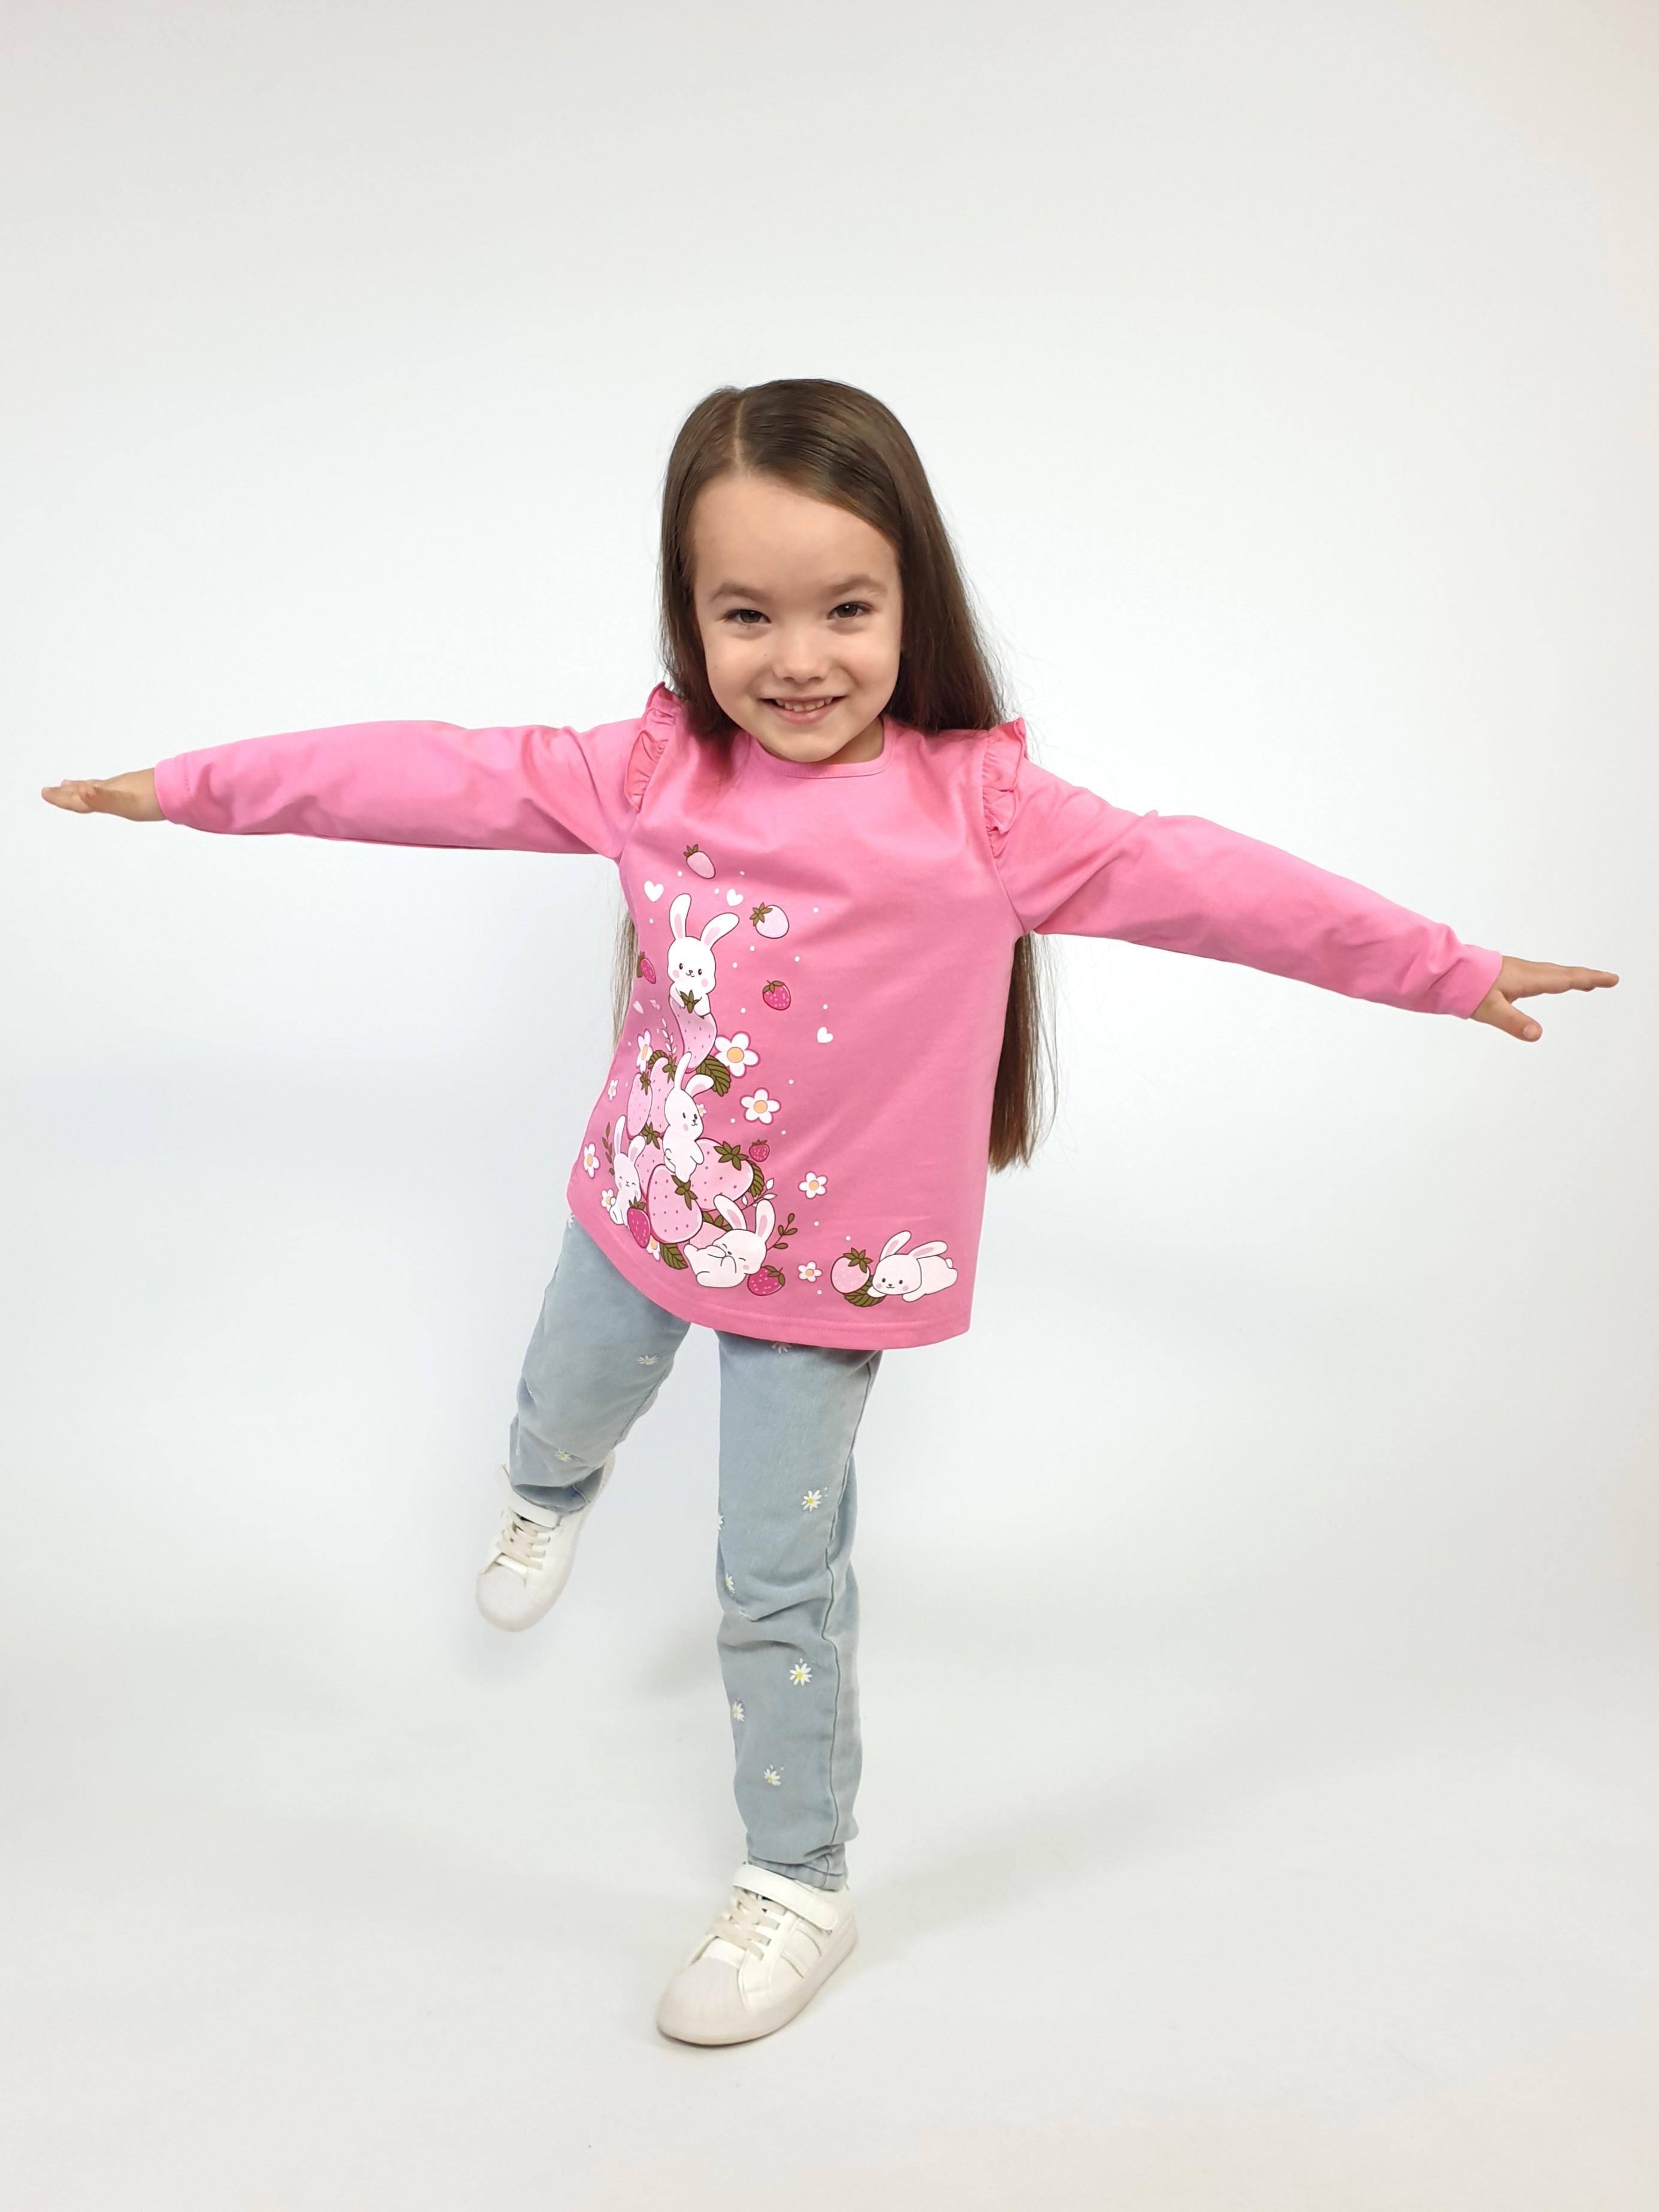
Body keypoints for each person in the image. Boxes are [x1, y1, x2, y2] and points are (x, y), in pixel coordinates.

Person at [40, 377, 1618, 2047]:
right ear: (692, 614)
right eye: (748, 615)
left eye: (844, 610)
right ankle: (546, 1492)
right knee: (559, 1403)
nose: (797, 659)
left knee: (775, 1578)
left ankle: (797, 1880)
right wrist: (186, 785)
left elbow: (1218, 886)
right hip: (643, 1202)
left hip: (825, 1279)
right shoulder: (650, 773)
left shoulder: (985, 815)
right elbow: (421, 775)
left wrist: (1443, 969)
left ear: (909, 602)